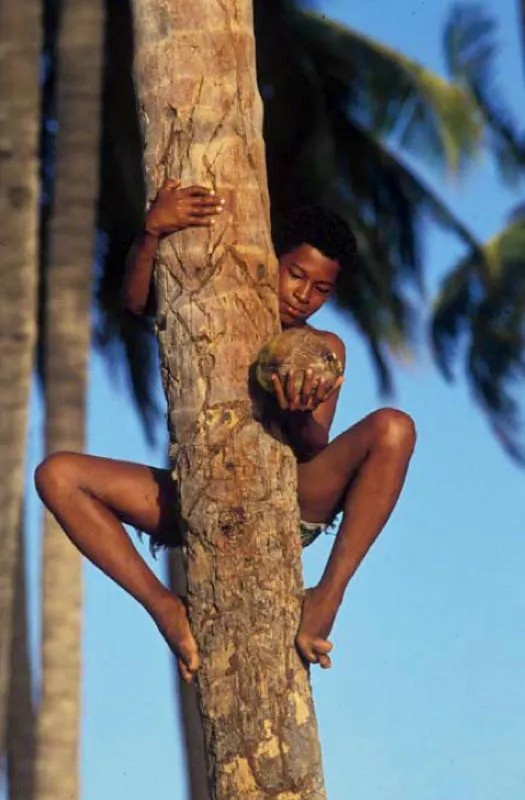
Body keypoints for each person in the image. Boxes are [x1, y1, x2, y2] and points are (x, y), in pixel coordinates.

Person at [34, 179, 416, 682]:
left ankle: (328, 595)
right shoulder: (210, 303)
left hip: (292, 497)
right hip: (201, 492)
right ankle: (165, 608)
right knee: (57, 474)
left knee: (395, 428)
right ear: (271, 259)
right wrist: (151, 232)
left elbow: (313, 444)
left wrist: (297, 410)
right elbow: (136, 301)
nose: (303, 296)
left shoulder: (321, 345)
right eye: (296, 275)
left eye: (321, 289)